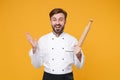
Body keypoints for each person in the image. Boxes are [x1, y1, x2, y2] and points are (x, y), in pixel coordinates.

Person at [26, 8, 85, 80]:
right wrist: (34, 50)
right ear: (50, 21)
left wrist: (79, 55)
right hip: (48, 77)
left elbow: (79, 66)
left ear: (65, 21)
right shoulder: (43, 40)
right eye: (54, 20)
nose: (57, 23)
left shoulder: (72, 40)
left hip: (67, 77)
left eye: (61, 19)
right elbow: (36, 65)